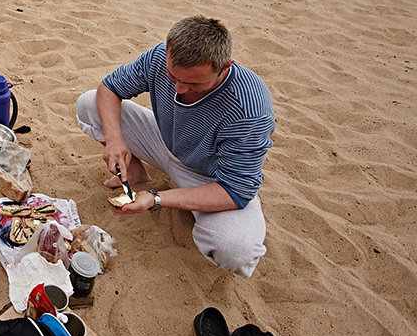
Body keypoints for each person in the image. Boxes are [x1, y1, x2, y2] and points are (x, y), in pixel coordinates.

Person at [75, 16, 274, 277]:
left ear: (225, 67)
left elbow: (236, 190)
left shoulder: (249, 109)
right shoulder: (160, 57)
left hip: (210, 177)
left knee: (236, 250)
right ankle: (134, 171)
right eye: (173, 76)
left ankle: (195, 207)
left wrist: (156, 198)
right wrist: (115, 141)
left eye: (194, 84)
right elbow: (109, 88)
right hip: (164, 141)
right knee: (89, 103)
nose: (179, 89)